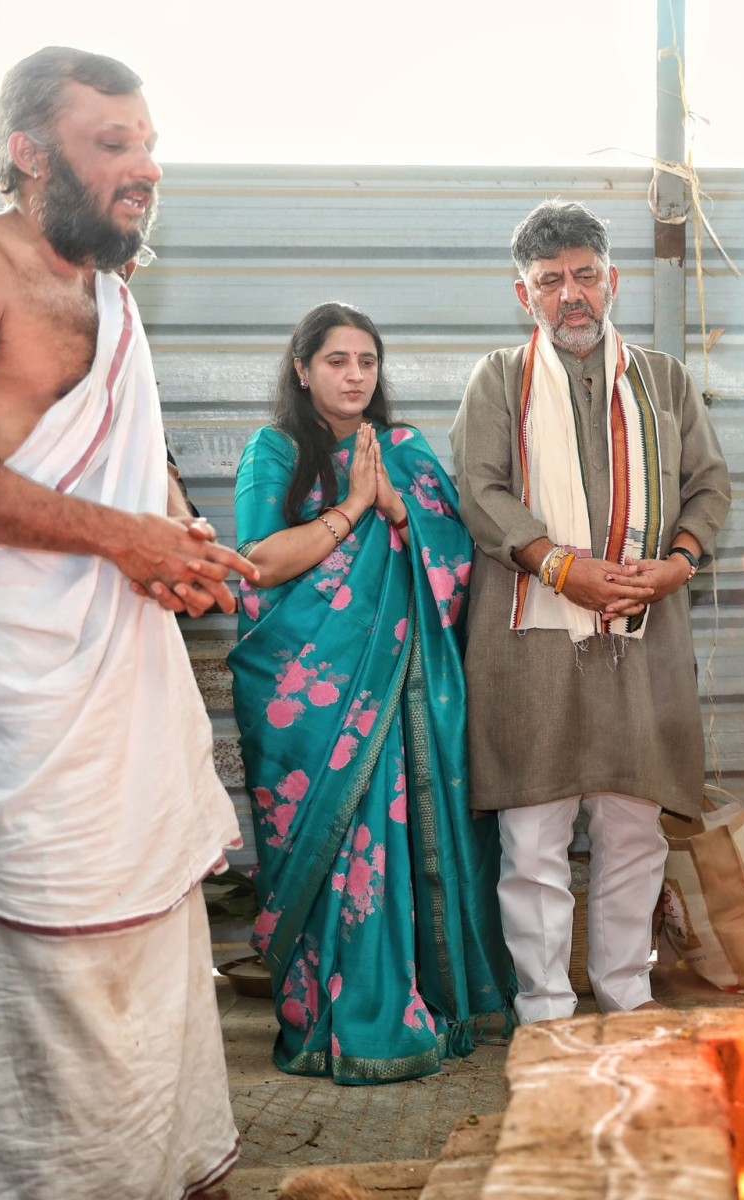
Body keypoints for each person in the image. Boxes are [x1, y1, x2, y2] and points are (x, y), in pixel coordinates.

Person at [0, 46, 253, 1196]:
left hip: (121, 701)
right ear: (26, 154)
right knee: (54, 980)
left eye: (148, 145)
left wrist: (178, 547)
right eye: (113, 147)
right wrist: (123, 539)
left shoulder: (114, 295)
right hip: (25, 699)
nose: (144, 169)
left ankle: (160, 1168)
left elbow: (124, 484)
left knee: (152, 966)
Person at [451, 200, 731, 1023]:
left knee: (633, 829)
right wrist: (560, 566)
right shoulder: (499, 379)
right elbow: (478, 488)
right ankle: (543, 1010)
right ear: (523, 295)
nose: (570, 295)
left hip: (642, 641)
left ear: (614, 281)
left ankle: (626, 998)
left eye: (583, 276)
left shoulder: (663, 378)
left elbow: (709, 486)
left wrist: (678, 564)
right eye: (550, 282)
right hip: (532, 638)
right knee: (533, 838)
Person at [228, 302, 516, 1081]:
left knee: (410, 832)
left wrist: (398, 508)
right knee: (337, 843)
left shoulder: (407, 452)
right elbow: (258, 564)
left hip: (406, 694)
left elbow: (459, 562)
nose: (355, 375)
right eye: (336, 361)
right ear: (301, 369)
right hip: (311, 705)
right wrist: (356, 507)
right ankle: (332, 1015)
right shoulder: (277, 449)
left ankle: (425, 998)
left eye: (367, 361)